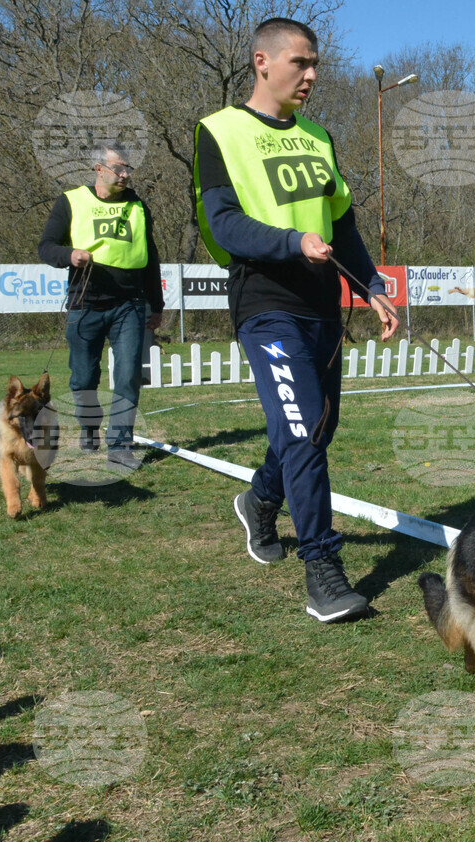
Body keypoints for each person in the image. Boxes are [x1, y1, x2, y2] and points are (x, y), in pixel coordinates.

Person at [193, 17, 399, 623]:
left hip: (322, 305)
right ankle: (323, 572)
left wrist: (371, 287)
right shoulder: (219, 131)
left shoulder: (317, 136)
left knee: (316, 429)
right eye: (299, 63)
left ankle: (261, 500)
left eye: (315, 65)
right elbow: (223, 223)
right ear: (262, 61)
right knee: (304, 431)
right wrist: (290, 241)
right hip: (265, 303)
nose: (310, 75)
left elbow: (344, 225)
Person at [39, 143, 164, 472]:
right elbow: (46, 247)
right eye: (118, 168)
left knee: (128, 375)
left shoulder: (138, 206)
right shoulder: (71, 201)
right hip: (85, 304)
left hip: (130, 304)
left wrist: (157, 304)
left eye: (128, 169)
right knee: (83, 378)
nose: (125, 174)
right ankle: (89, 426)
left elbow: (150, 257)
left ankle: (120, 446)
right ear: (99, 169)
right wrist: (69, 255)